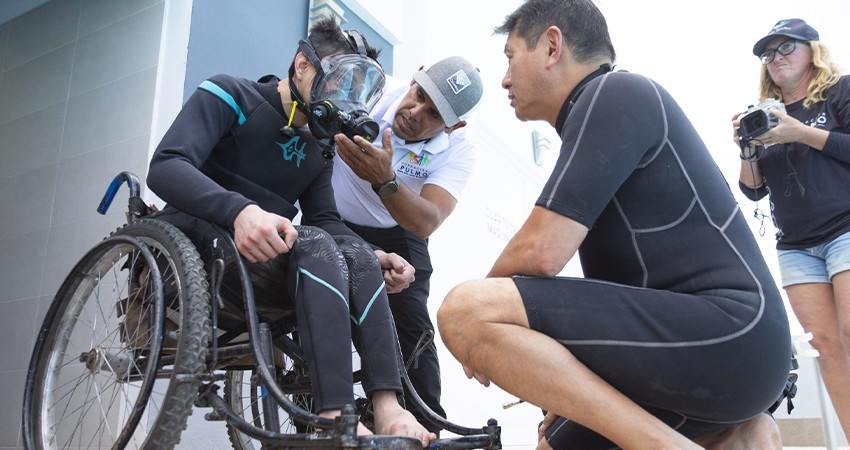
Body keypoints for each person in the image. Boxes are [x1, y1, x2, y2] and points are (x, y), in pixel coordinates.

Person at [436, 0, 792, 448]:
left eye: (510, 57)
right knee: (554, 444)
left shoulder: (615, 94)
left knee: (465, 311)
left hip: (731, 335)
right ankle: (739, 434)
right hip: (709, 369)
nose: (505, 79)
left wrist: (481, 327)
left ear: (551, 46)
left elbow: (541, 252)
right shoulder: (596, 123)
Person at [146, 17, 435, 446]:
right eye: (338, 80)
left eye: (356, 89)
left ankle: (387, 406)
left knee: (350, 251)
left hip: (258, 266)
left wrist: (376, 254)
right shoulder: (231, 93)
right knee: (317, 243)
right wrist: (240, 211)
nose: (344, 99)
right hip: (193, 238)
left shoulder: (320, 146)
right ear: (302, 63)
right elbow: (166, 165)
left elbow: (326, 220)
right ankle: (335, 413)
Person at [330, 55, 484, 431]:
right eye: (419, 95)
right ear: (416, 75)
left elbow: (427, 220)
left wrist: (385, 182)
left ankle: (426, 426)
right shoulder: (372, 89)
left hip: (396, 224)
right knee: (320, 295)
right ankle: (318, 421)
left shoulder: (460, 148)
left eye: (433, 114)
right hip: (330, 212)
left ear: (454, 125)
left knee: (412, 319)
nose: (415, 112)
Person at [734, 18, 850, 441]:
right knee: (826, 346)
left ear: (812, 51)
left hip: (846, 229)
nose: (776, 58)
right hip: (797, 246)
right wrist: (748, 149)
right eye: (769, 53)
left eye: (786, 48)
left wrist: (801, 132)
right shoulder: (765, 117)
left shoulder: (840, 91)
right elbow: (753, 191)